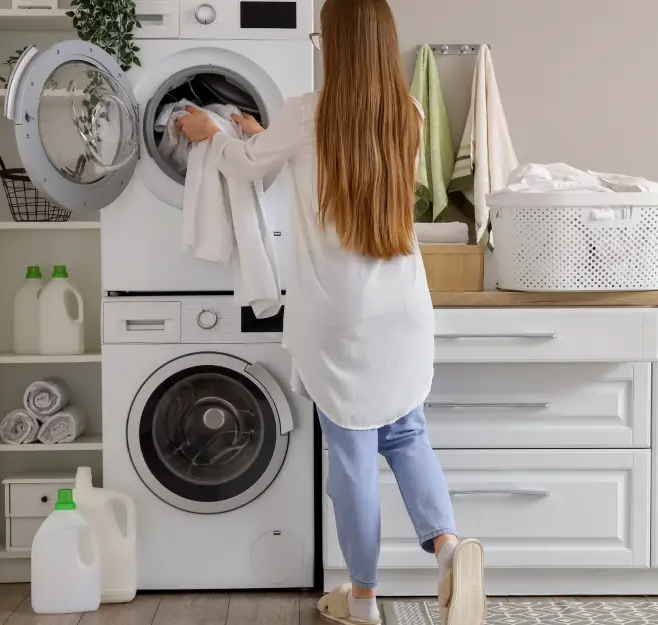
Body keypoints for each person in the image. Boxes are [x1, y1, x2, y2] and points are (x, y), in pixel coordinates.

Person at [175, 0, 485, 623]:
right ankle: (449, 549)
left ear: (335, 42)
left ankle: (364, 601)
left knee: (351, 459)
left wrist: (214, 135)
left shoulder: (305, 113)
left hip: (339, 315)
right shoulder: (410, 114)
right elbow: (342, 163)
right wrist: (270, 137)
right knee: (406, 433)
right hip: (402, 306)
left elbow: (244, 166)